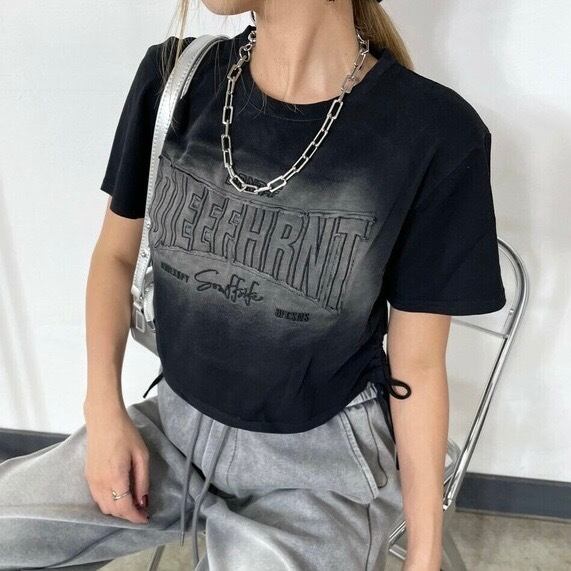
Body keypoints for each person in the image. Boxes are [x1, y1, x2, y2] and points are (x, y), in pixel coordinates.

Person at [0, 1, 507, 570]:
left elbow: (418, 365)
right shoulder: (176, 79)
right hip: (175, 429)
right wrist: (103, 412)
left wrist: (424, 553)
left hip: (319, 468)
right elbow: (116, 256)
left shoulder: (433, 132)